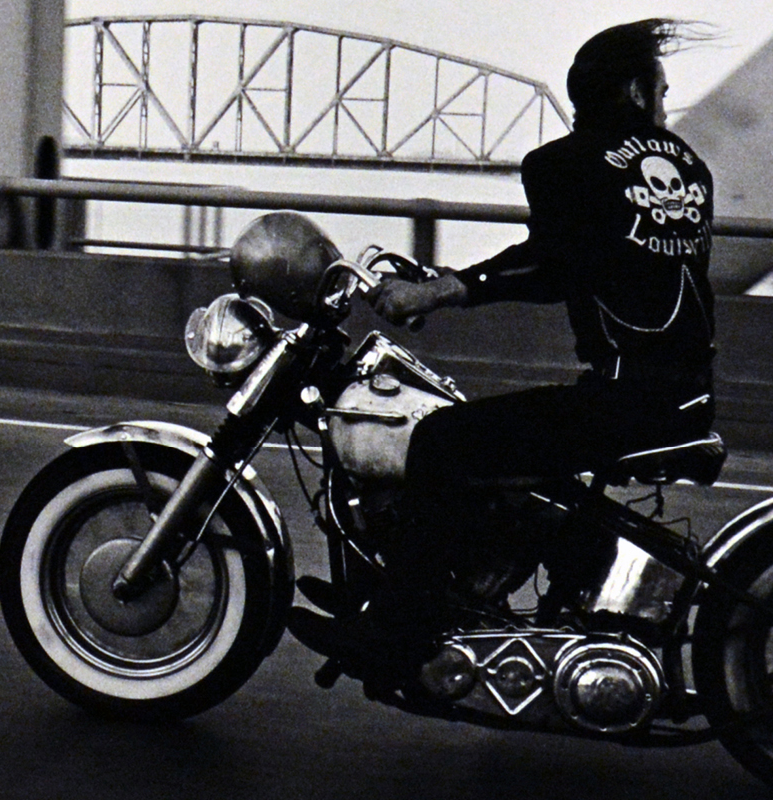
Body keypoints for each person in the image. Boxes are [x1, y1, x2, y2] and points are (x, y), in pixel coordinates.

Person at [290, 18, 719, 665]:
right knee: (501, 452)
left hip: (625, 402)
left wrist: (440, 291)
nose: (664, 104)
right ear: (633, 91)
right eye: (661, 89)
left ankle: (398, 634)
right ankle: (431, 587)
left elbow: (553, 265)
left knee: (440, 439)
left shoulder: (565, 164)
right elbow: (608, 261)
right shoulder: (690, 169)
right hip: (681, 394)